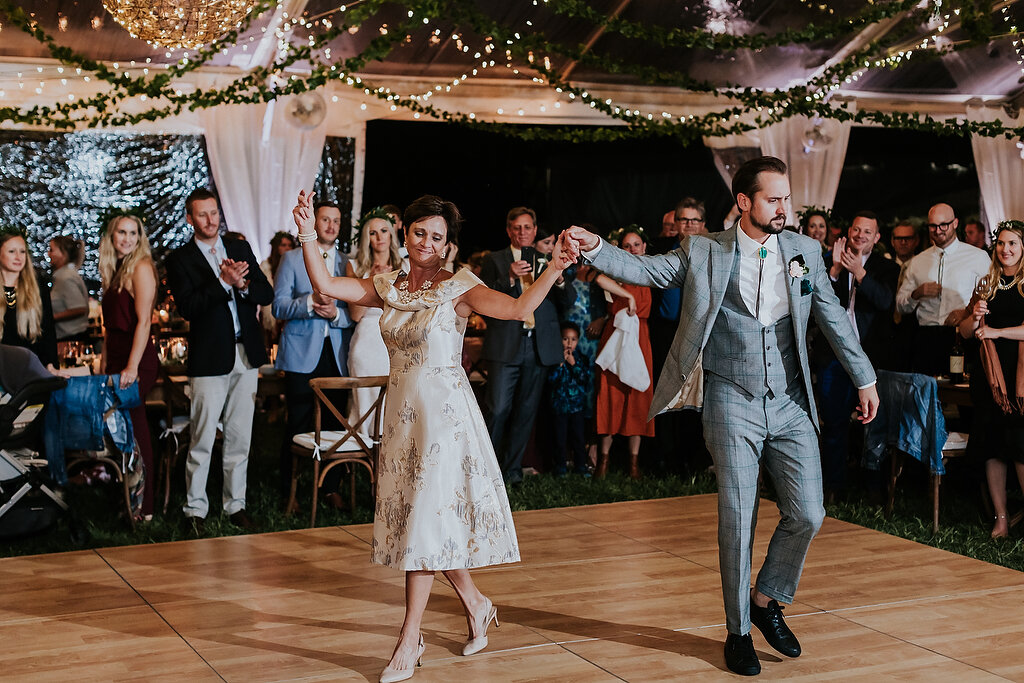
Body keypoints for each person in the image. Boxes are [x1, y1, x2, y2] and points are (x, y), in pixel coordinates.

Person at [562, 156, 879, 677]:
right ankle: (737, 632)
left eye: (787, 198)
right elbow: (645, 271)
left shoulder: (805, 251)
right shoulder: (705, 248)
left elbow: (831, 318)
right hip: (731, 397)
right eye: (773, 199)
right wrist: (597, 247)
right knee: (738, 515)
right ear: (744, 202)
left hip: (791, 399)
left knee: (809, 513)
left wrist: (864, 378)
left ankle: (766, 598)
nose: (784, 208)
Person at [292, 190, 573, 683]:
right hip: (402, 423)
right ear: (407, 235)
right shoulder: (388, 286)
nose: (427, 242)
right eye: (419, 232)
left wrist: (553, 267)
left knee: (422, 524)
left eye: (437, 237)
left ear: (447, 245)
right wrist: (307, 234)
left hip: (446, 422)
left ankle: (409, 638)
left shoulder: (460, 287)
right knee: (425, 524)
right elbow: (325, 282)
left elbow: (516, 307)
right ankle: (477, 603)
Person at [165, 188, 273, 534]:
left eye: (214, 213)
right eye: (202, 215)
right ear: (189, 218)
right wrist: (223, 282)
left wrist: (242, 285)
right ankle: (194, 510)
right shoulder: (180, 259)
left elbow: (265, 293)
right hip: (209, 358)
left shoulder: (239, 248)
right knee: (202, 437)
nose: (210, 220)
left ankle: (234, 505)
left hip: (247, 354)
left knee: (240, 437)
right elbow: (188, 307)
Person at [478, 206, 576, 484]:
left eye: (528, 227)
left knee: (525, 413)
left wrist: (558, 278)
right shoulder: (494, 260)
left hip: (538, 347)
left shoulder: (550, 259)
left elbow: (568, 301)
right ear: (509, 231)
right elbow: (481, 302)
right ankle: (485, 471)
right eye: (517, 227)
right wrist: (508, 277)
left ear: (535, 230)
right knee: (497, 409)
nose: (522, 232)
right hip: (505, 346)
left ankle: (511, 473)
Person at [272, 200, 354, 506]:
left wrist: (334, 313)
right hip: (300, 354)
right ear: (313, 222)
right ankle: (289, 492)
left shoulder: (347, 262)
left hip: (336, 354)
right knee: (297, 422)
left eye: (336, 220)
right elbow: (278, 306)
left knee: (334, 424)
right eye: (325, 220)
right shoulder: (291, 259)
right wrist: (309, 304)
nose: (331, 226)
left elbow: (354, 316)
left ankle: (330, 488)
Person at [815, 211, 900, 499]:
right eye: (856, 230)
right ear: (848, 232)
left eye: (867, 232)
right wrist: (837, 271)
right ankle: (834, 488)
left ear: (876, 237)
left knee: (873, 426)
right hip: (834, 357)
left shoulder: (886, 268)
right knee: (834, 422)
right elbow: (815, 303)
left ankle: (872, 489)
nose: (860, 235)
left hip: (870, 358)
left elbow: (885, 301)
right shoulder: (828, 260)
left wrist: (859, 273)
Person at [959, 221, 1024, 538]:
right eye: (1001, 243)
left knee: (1021, 447)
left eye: (1012, 243)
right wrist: (974, 316)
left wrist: (997, 331)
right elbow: (964, 332)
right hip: (991, 379)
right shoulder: (987, 283)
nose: (1005, 249)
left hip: (1021, 380)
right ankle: (1001, 518)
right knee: (993, 448)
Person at [99, 213, 160, 520]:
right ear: (112, 236)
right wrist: (104, 361)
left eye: (133, 233)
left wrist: (132, 366)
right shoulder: (114, 269)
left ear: (140, 238)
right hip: (117, 359)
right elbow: (109, 327)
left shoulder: (141, 267)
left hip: (138, 360)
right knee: (119, 431)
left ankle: (144, 508)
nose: (127, 238)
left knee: (135, 428)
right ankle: (126, 500)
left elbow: (145, 321)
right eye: (121, 232)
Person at [896, 203, 990, 375]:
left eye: (943, 225)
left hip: (962, 336)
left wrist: (966, 312)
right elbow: (900, 306)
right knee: (925, 396)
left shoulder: (978, 257)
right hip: (925, 338)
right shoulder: (918, 261)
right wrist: (917, 294)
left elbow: (991, 300)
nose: (938, 230)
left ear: (955, 223)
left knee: (962, 396)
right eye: (933, 225)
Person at [594, 229, 654, 479]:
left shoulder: (650, 270)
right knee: (609, 395)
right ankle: (603, 463)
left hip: (640, 336)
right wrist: (627, 294)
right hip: (616, 334)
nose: (632, 249)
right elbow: (599, 279)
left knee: (639, 398)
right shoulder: (616, 270)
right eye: (626, 246)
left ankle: (633, 465)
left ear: (644, 247)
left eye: (636, 245)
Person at [346, 208, 403, 434]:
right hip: (367, 340)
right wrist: (372, 280)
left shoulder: (407, 267)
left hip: (398, 339)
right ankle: (363, 456)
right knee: (365, 401)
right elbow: (355, 314)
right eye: (372, 233)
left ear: (392, 234)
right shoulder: (355, 266)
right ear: (365, 238)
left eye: (384, 231)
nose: (379, 237)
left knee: (396, 400)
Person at [0, 228, 58, 372]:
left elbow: (48, 330)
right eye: (12, 251)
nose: (18, 257)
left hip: (31, 370)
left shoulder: (37, 285)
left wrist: (50, 365)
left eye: (22, 251)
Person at [548, 321, 592, 475]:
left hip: (577, 407)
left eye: (573, 339)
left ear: (578, 341)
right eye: (565, 339)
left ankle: (581, 465)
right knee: (560, 439)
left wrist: (574, 364)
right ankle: (560, 466)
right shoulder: (555, 359)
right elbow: (550, 380)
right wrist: (560, 364)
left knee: (578, 438)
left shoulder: (581, 359)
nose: (569, 343)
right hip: (559, 407)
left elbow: (585, 379)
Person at [47, 236, 90, 342]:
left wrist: (50, 318)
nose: (48, 254)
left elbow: (79, 308)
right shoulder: (64, 275)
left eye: (52, 250)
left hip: (71, 339)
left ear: (63, 254)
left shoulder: (65, 277)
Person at [259, 230, 296, 342]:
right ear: (276, 247)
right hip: (270, 313)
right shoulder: (266, 267)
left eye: (290, 245)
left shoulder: (296, 266)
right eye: (283, 245)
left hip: (291, 313)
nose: (287, 248)